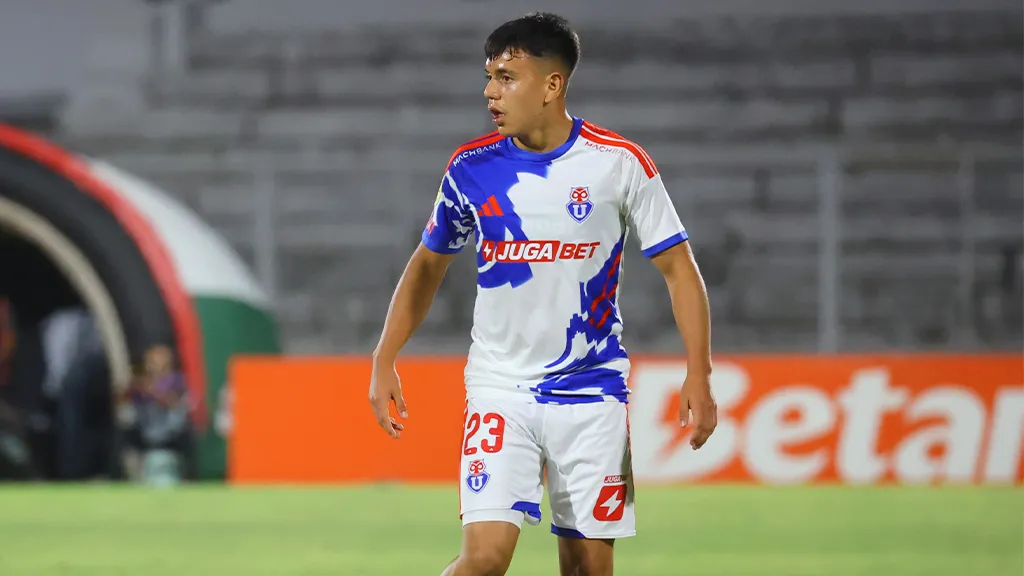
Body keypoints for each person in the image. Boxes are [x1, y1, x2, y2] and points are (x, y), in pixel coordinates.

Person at [368, 13, 717, 576]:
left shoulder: (617, 164)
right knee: (482, 560)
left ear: (552, 85)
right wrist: (385, 355)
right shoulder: (471, 168)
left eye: (507, 77)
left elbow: (679, 269)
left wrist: (698, 372)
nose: (489, 91)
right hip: (499, 388)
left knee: (586, 570)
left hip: (592, 392)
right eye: (488, 77)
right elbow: (428, 264)